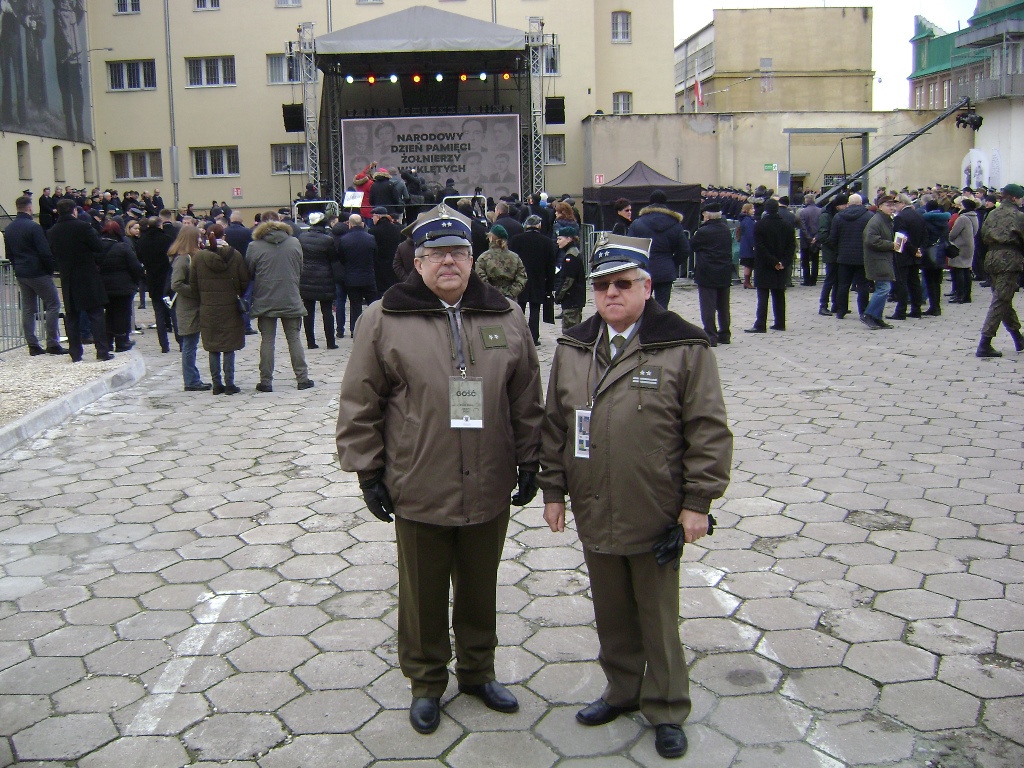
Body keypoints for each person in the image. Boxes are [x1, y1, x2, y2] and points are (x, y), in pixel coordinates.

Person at [336, 203, 543, 736]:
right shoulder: (384, 318)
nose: (448, 261)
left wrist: (530, 457)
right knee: (424, 592)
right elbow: (361, 400)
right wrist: (368, 470)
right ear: (418, 262)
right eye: (436, 254)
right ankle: (427, 682)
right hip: (418, 478)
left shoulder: (505, 315)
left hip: (490, 477)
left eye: (458, 252)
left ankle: (478, 671)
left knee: (480, 585)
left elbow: (525, 395)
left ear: (473, 259)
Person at [539, 233, 732, 761]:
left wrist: (698, 503)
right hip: (593, 500)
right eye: (602, 286)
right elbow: (557, 425)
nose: (611, 294)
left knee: (656, 613)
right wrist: (552, 489)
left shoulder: (683, 347)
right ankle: (622, 690)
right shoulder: (574, 347)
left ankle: (667, 705)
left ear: (647, 287)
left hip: (655, 506)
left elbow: (708, 431)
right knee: (611, 609)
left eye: (623, 284)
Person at [247, 211, 314, 392]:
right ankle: (302, 378)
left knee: (267, 340)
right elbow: (300, 267)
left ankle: (266, 381)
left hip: (265, 297)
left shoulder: (254, 246)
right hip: (290, 296)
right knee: (294, 338)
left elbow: (250, 271)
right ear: (280, 221)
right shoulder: (294, 242)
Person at [47, 198, 112, 361]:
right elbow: (98, 246)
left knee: (72, 316)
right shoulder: (83, 227)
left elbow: (54, 254)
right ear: (74, 211)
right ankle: (102, 351)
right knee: (96, 314)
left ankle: (75, 353)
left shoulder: (53, 231)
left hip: (68, 277)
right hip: (87, 275)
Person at [2, 195, 65, 356]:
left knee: (28, 308)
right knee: (53, 304)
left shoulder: (9, 228)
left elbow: (10, 253)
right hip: (38, 271)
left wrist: (18, 267)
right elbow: (44, 252)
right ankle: (52, 342)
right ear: (30, 208)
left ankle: (32, 344)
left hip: (21, 272)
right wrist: (50, 270)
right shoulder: (33, 227)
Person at [190, 223, 248, 394]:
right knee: (229, 345)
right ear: (225, 236)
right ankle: (230, 383)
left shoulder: (199, 257)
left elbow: (193, 284)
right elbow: (244, 281)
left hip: (208, 307)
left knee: (213, 346)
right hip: (230, 307)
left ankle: (216, 384)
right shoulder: (235, 255)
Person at [976, 183, 1024, 358]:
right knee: (1000, 301)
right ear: (1013, 198)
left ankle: (1018, 337)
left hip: (991, 258)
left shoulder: (991, 214)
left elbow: (981, 236)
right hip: (1010, 259)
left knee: (1003, 299)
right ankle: (985, 342)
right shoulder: (1018, 216)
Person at [627, 190, 690, 309]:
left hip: (643, 269)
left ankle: (644, 327)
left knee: (642, 305)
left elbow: (630, 248)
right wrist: (672, 262)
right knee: (662, 307)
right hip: (665, 269)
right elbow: (684, 249)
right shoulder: (675, 224)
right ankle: (660, 327)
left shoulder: (638, 223)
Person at [168, 225, 211, 391]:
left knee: (191, 343)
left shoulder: (189, 256)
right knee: (189, 345)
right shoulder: (182, 258)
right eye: (198, 237)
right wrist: (195, 291)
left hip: (192, 306)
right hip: (187, 307)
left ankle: (193, 378)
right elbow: (176, 284)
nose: (201, 240)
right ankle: (191, 380)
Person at [746, 198, 794, 332]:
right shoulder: (787, 225)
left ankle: (760, 324)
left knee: (763, 296)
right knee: (779, 294)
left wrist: (772, 261)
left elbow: (760, 247)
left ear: (766, 209)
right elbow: (791, 246)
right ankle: (780, 322)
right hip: (781, 266)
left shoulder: (760, 225)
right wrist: (783, 262)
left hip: (764, 265)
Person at [509, 215, 557, 346]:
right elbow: (550, 265)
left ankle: (518, 335)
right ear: (539, 226)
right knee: (535, 308)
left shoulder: (516, 240)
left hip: (520, 277)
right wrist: (550, 285)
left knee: (520, 308)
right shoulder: (546, 242)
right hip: (539, 278)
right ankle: (533, 337)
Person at [97, 220, 144, 352]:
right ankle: (122, 341)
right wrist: (135, 281)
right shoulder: (123, 247)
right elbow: (135, 267)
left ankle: (107, 341)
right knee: (122, 314)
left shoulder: (97, 246)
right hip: (123, 286)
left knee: (108, 314)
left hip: (103, 286)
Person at [690, 203, 733, 346]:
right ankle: (725, 334)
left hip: (707, 271)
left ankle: (711, 335)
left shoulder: (703, 232)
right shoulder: (726, 230)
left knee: (708, 305)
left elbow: (692, 245)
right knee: (723, 305)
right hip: (724, 271)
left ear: (707, 215)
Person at [136, 216, 177, 353]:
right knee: (173, 312)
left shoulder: (142, 241)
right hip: (167, 278)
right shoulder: (167, 239)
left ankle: (164, 345)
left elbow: (140, 259)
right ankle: (181, 342)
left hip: (152, 279)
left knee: (158, 313)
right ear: (160, 225)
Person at [829, 193, 873, 320]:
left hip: (844, 256)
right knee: (863, 285)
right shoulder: (869, 216)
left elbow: (833, 238)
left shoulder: (838, 217)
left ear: (848, 203)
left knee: (843, 284)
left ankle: (841, 310)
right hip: (862, 256)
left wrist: (838, 251)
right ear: (861, 203)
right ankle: (863, 310)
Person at [298, 212, 339, 350]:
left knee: (308, 311)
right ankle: (330, 342)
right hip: (324, 277)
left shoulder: (301, 238)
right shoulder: (328, 240)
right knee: (327, 311)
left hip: (306, 276)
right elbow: (333, 259)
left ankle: (310, 342)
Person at [860, 195, 898, 330]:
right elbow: (871, 240)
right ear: (880, 206)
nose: (892, 208)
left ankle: (877, 317)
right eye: (888, 205)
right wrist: (890, 245)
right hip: (877, 259)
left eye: (893, 205)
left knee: (884, 287)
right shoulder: (876, 221)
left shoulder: (886, 220)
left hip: (883, 258)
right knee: (884, 288)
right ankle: (869, 314)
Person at [337, 214, 378, 336]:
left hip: (352, 277)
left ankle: (355, 330)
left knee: (355, 306)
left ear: (349, 224)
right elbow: (375, 256)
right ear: (362, 223)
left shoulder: (344, 240)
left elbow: (341, 259)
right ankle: (374, 329)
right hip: (368, 276)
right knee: (372, 305)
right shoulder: (370, 238)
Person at [475, 225, 527, 300]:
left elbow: (479, 278)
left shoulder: (484, 257)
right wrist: (511, 293)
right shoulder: (515, 257)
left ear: (491, 238)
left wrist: (492, 292)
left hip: (490, 299)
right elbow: (522, 277)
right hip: (511, 299)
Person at [554, 226, 585, 333]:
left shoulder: (571, 256)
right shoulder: (571, 253)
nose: (557, 242)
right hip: (573, 299)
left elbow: (568, 280)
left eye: (560, 239)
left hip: (572, 298)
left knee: (570, 331)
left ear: (569, 239)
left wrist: (559, 295)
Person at [948, 198, 979, 305]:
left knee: (959, 270)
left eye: (961, 206)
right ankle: (966, 295)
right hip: (969, 246)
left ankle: (960, 294)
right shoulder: (974, 217)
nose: (959, 207)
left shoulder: (963, 218)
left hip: (960, 246)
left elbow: (953, 233)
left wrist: (949, 239)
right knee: (966, 270)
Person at [797, 193, 822, 285]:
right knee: (815, 261)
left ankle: (807, 280)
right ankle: (814, 279)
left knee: (805, 261)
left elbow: (803, 226)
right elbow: (821, 226)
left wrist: (808, 237)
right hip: (816, 239)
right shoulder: (820, 211)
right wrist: (816, 237)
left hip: (805, 240)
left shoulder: (802, 212)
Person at [737, 202, 756, 290]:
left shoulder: (746, 219)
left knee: (748, 264)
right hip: (748, 246)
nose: (754, 210)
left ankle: (747, 281)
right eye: (752, 209)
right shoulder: (748, 221)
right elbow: (750, 234)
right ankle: (747, 282)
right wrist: (754, 244)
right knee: (748, 263)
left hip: (745, 244)